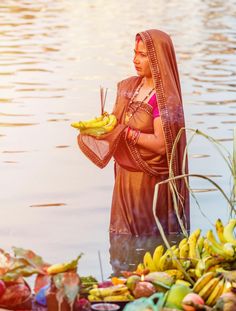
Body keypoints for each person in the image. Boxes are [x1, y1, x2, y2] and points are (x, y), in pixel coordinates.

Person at [77, 29, 190, 236]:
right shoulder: (130, 88)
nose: (135, 60)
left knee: (147, 243)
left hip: (149, 185)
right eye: (134, 53)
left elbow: (161, 145)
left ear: (158, 59)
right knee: (121, 240)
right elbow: (116, 123)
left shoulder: (164, 99)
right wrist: (102, 128)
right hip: (124, 180)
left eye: (143, 55)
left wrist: (126, 133)